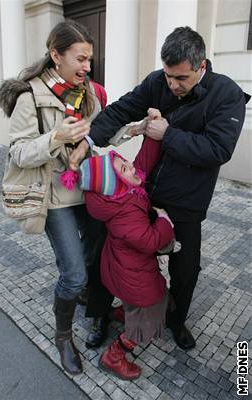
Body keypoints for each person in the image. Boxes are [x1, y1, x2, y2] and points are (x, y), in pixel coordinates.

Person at [69, 26, 250, 351]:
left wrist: (167, 134)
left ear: (202, 67)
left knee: (186, 269)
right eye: (168, 76)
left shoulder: (227, 95)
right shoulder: (158, 81)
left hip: (185, 201)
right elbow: (122, 109)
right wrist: (88, 140)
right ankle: (99, 314)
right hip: (139, 190)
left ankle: (176, 322)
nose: (172, 85)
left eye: (181, 78)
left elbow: (218, 150)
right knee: (106, 253)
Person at [0, 20, 109, 375]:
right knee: (72, 273)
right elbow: (19, 153)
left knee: (96, 257)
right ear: (56, 55)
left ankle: (92, 304)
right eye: (81, 58)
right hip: (54, 197)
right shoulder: (29, 95)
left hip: (85, 189)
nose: (88, 66)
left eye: (90, 59)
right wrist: (56, 137)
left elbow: (97, 135)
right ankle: (63, 336)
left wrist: (123, 130)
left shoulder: (86, 92)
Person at [61, 111, 176, 380]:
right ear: (115, 187)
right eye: (125, 169)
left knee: (138, 299)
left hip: (123, 270)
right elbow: (148, 241)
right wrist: (164, 222)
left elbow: (143, 161)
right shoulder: (125, 214)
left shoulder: (126, 190)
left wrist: (151, 133)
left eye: (126, 164)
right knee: (150, 308)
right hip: (134, 275)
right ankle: (115, 354)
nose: (133, 169)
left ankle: (122, 311)